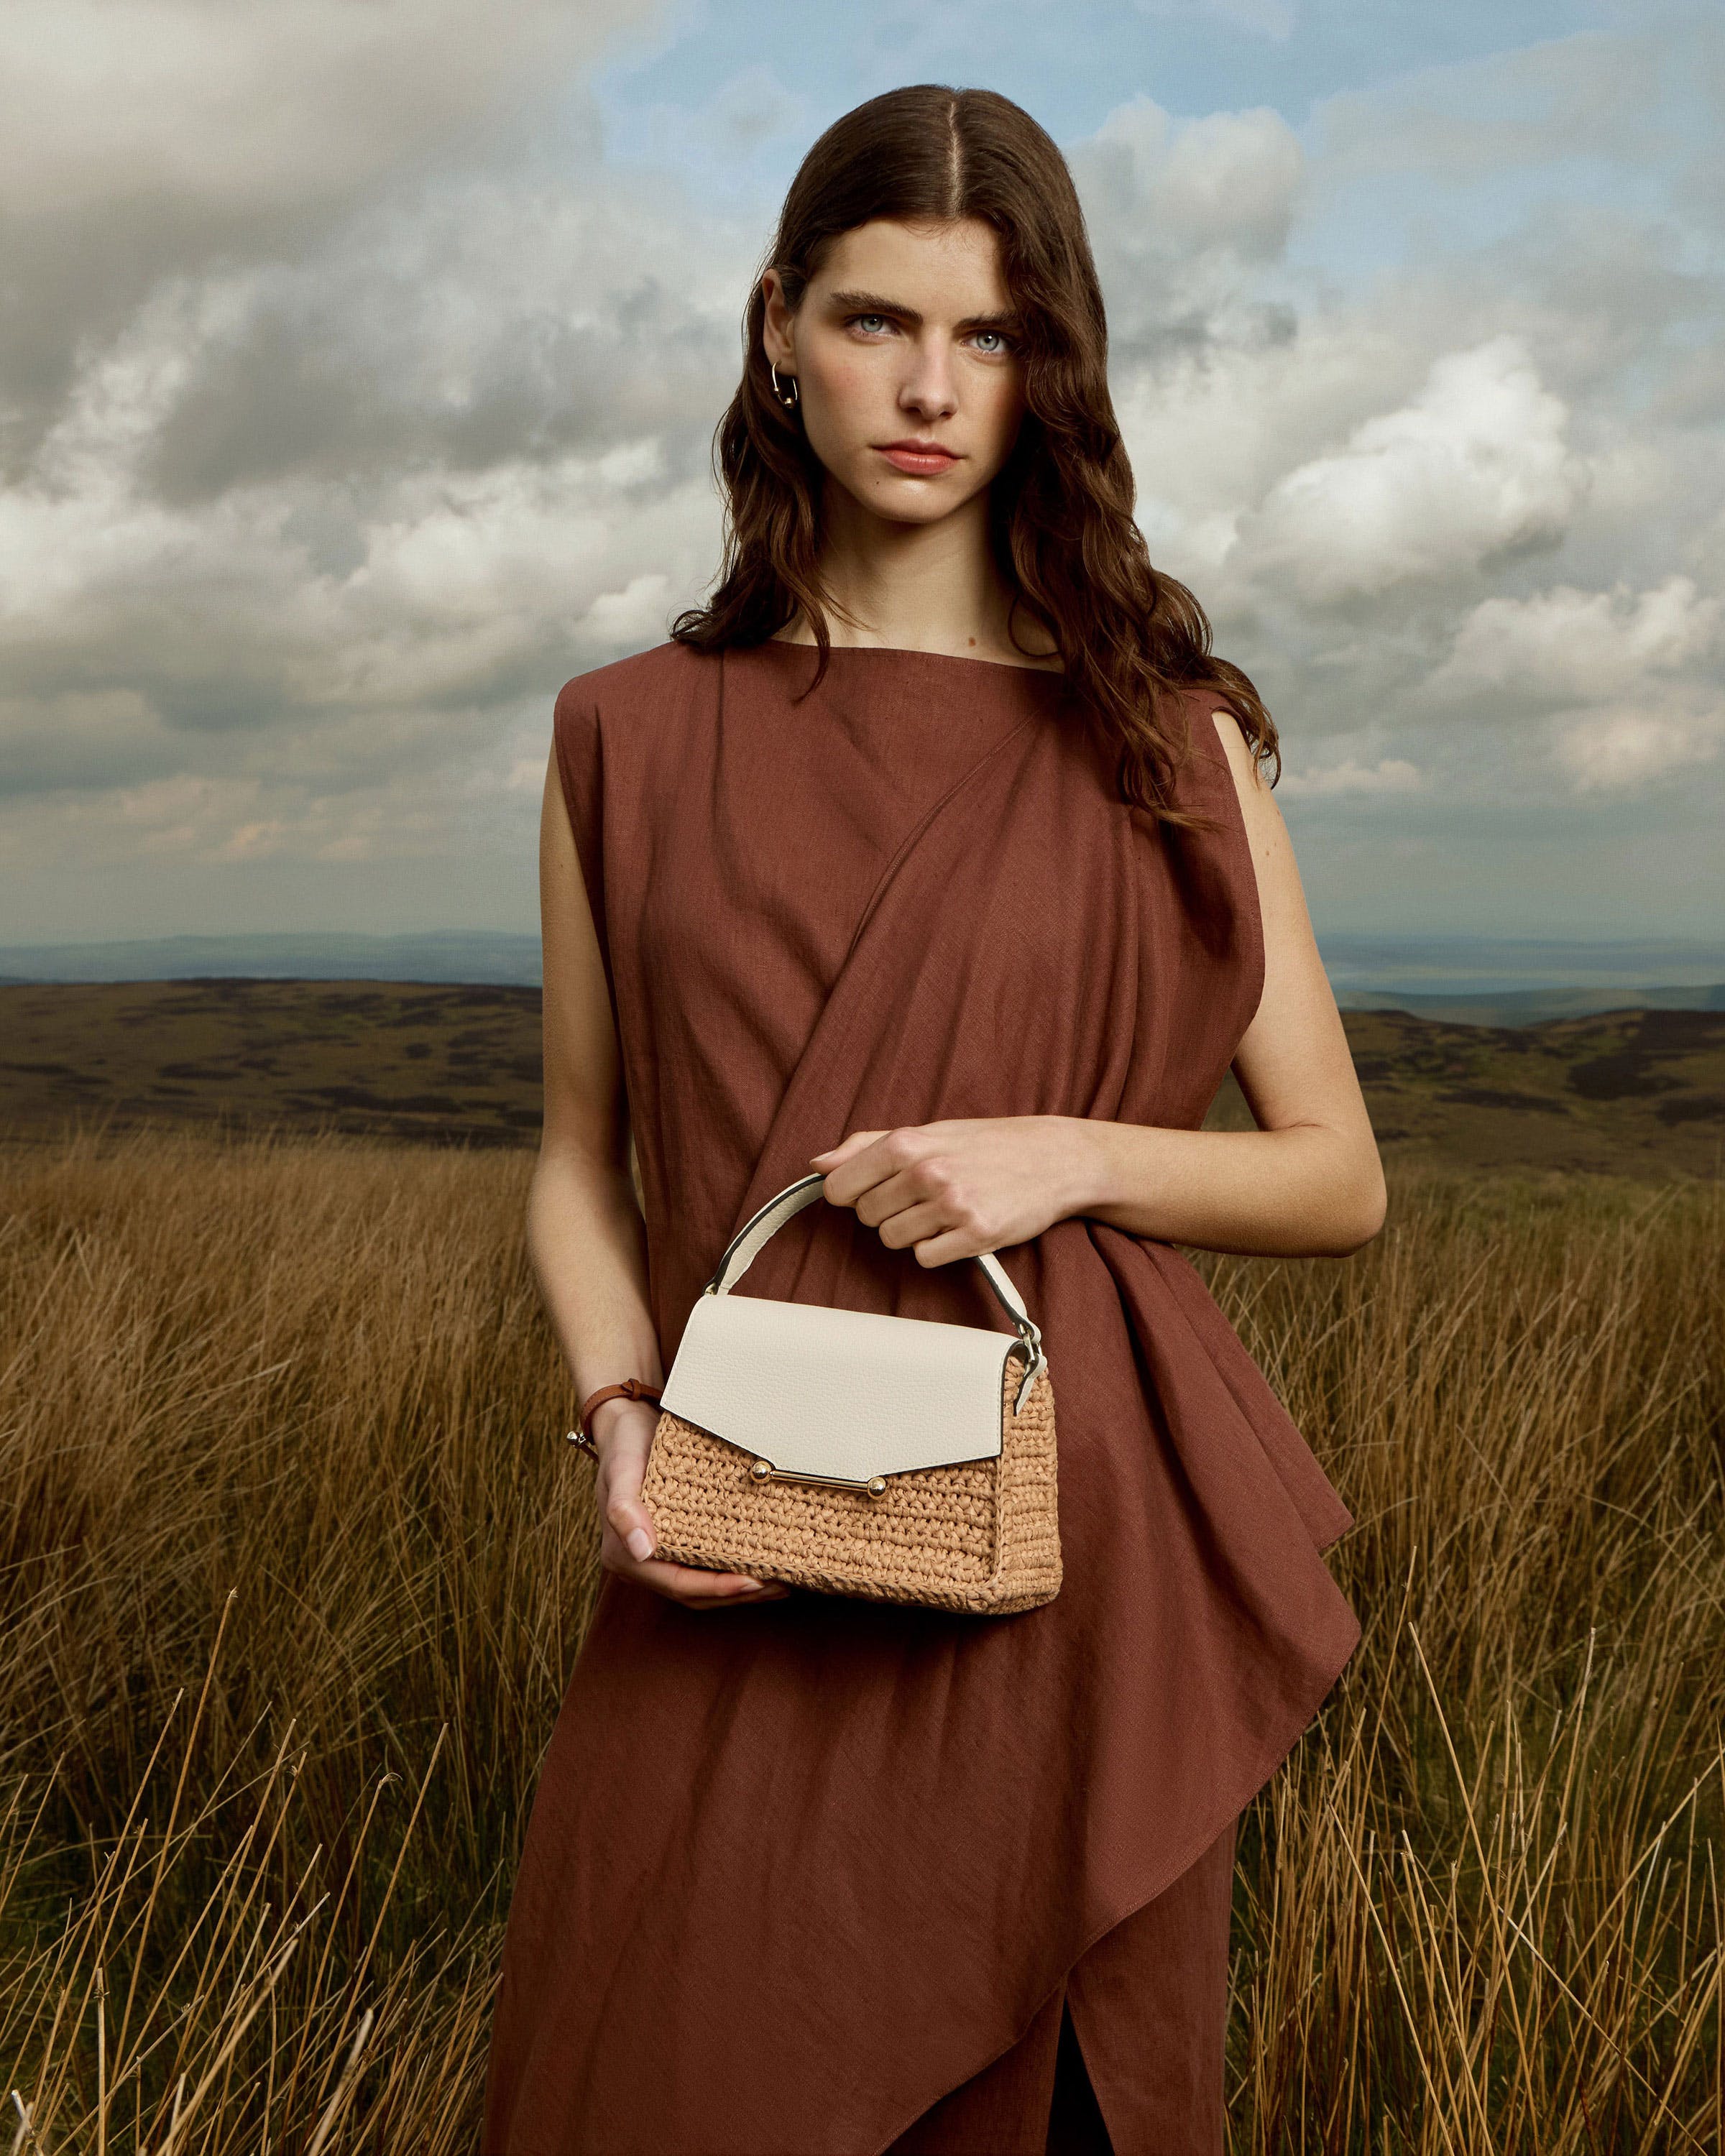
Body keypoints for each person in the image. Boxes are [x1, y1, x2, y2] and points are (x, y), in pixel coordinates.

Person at [482, 83, 1377, 2156]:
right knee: (668, 2071)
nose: (930, 388)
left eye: (992, 339)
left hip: (1070, 1567)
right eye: (882, 323)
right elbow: (571, 1154)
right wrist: (617, 1420)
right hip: (734, 1537)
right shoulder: (623, 734)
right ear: (779, 325)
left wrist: (1066, 1153)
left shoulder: (1179, 742)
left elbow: (1340, 1176)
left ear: (1049, 368)